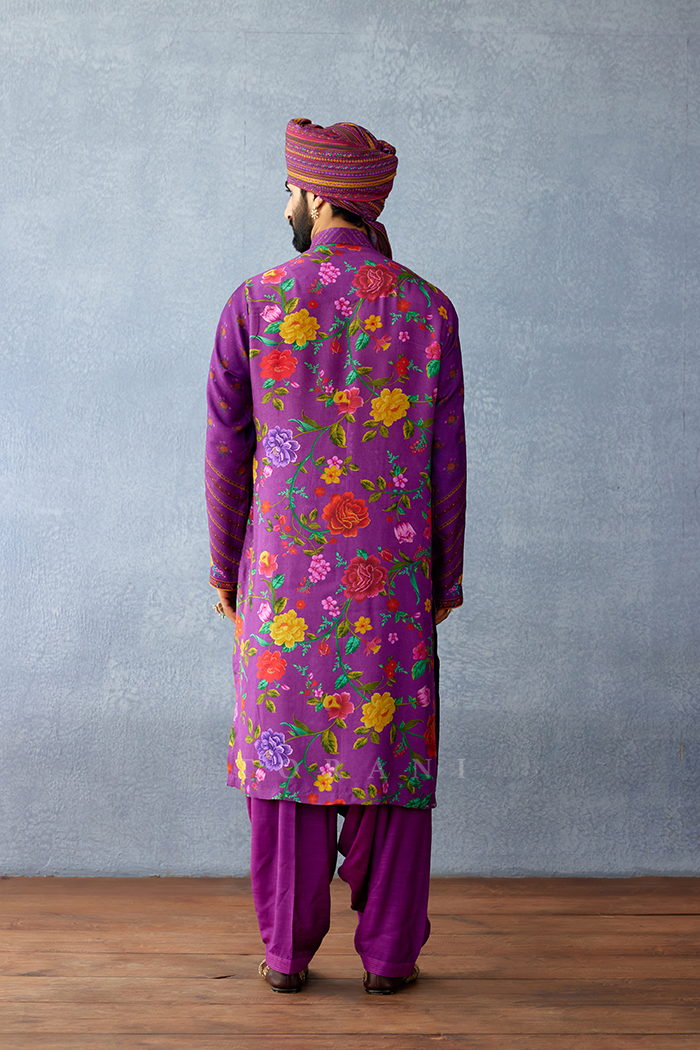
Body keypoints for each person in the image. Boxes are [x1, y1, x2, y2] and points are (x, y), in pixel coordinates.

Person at [205, 117, 466, 995]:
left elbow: (226, 451)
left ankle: (286, 954)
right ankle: (390, 959)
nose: (286, 202)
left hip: (283, 578)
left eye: (291, 188)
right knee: (386, 758)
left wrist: (225, 569)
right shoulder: (429, 310)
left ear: (318, 197)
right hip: (393, 582)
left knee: (286, 757)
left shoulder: (256, 303)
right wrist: (444, 578)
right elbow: (447, 458)